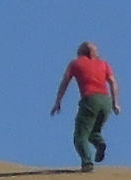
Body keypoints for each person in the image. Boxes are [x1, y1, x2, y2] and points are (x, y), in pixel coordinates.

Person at [51, 42, 118, 172]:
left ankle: (87, 163)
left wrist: (58, 101)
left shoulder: (76, 63)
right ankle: (99, 143)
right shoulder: (104, 64)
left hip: (90, 99)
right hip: (106, 101)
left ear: (80, 51)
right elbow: (113, 82)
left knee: (80, 136)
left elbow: (65, 81)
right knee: (93, 132)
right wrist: (115, 103)